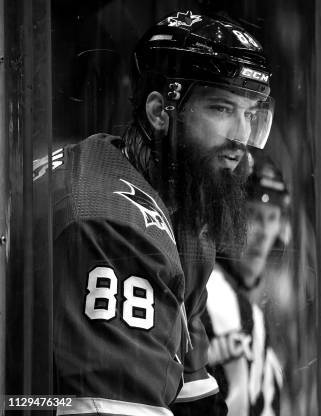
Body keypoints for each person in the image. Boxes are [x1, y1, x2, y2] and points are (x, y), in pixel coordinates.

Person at [28, 10, 274, 415]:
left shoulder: (181, 202)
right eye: (221, 108)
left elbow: (192, 391)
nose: (242, 138)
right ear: (160, 112)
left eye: (250, 113)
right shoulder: (110, 224)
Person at [204, 154, 288, 416]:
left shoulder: (251, 312)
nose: (263, 231)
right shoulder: (215, 298)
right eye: (252, 214)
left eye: (272, 217)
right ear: (226, 218)